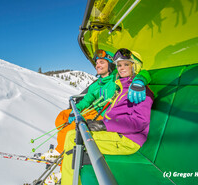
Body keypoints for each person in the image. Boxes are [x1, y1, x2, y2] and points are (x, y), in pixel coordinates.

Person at [41, 49, 151, 185]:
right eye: (120, 65)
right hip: (115, 131)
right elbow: (88, 99)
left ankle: (68, 176)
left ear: (134, 66)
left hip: (128, 139)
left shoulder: (138, 90)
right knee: (72, 135)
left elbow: (139, 122)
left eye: (126, 65)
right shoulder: (121, 85)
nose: (122, 68)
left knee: (75, 138)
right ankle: (68, 177)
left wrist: (140, 80)